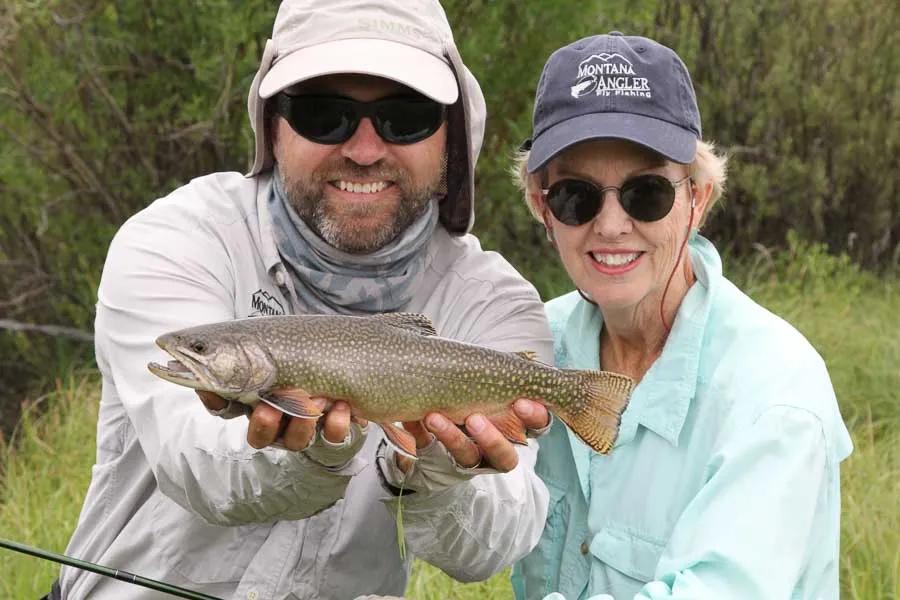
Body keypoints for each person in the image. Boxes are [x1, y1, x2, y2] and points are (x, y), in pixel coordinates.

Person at [55, 1, 554, 598]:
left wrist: (442, 471)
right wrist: (309, 455)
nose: (365, 149)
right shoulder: (177, 241)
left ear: (451, 138)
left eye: (406, 117)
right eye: (323, 115)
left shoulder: (495, 303)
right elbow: (197, 462)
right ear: (271, 126)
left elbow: (496, 545)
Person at [510, 32, 853, 600]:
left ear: (698, 201)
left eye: (647, 194)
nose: (612, 225)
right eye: (577, 195)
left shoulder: (773, 396)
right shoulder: (532, 346)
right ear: (542, 209)